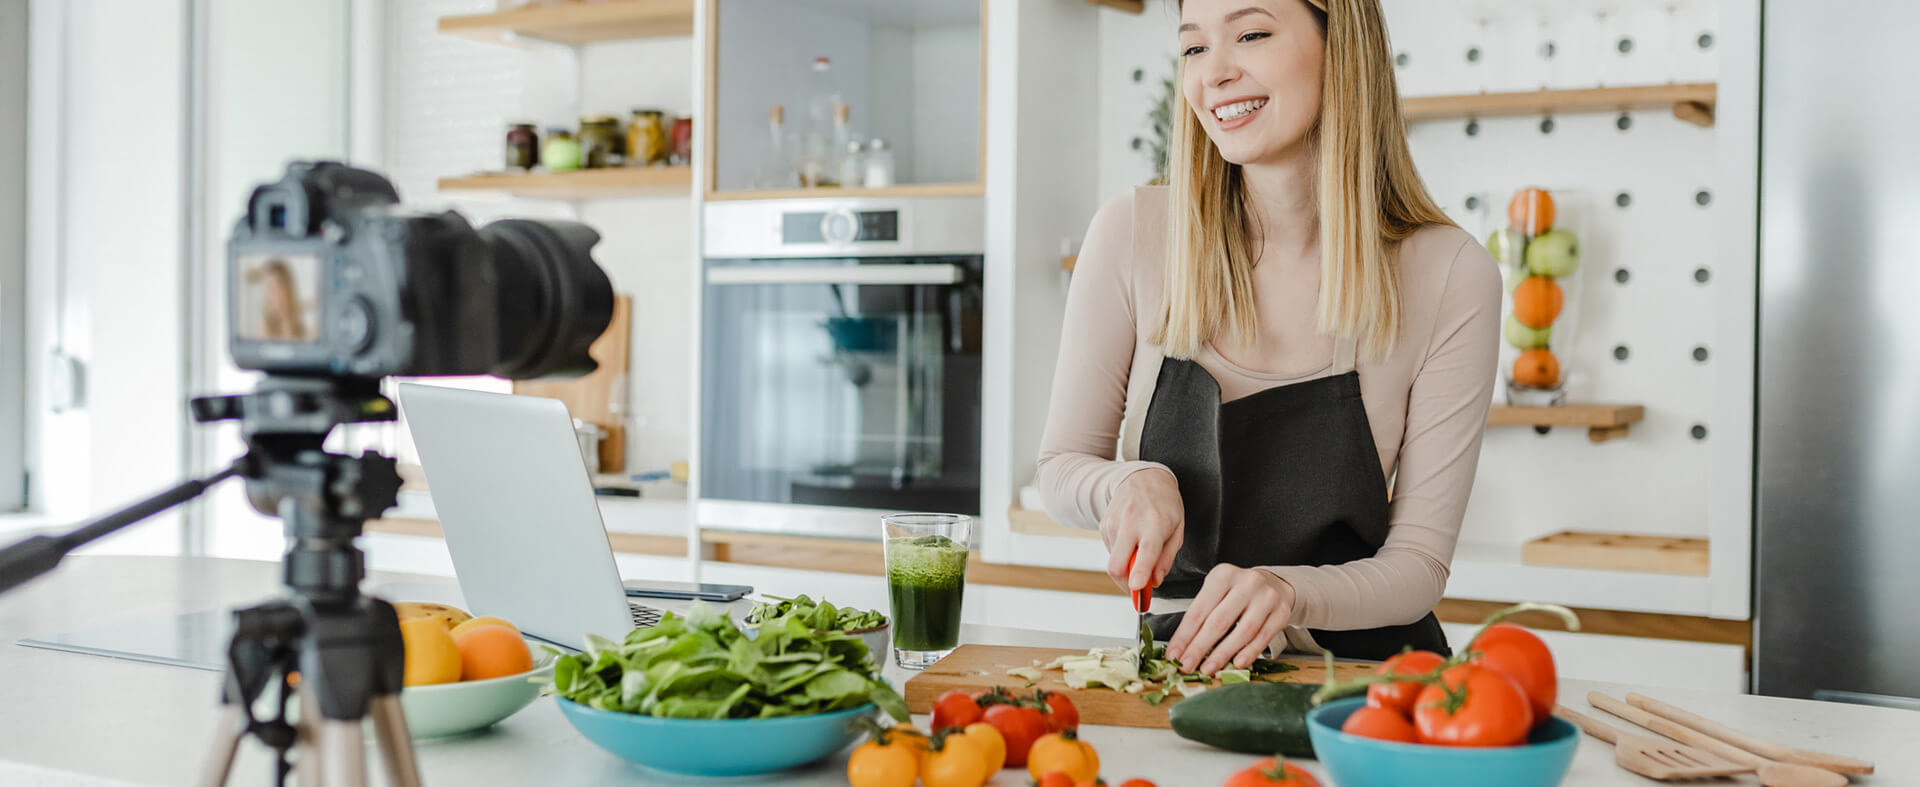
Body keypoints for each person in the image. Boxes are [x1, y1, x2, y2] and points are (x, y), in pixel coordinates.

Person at [1035, 0, 1500, 675]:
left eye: (1251, 34)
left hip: (1371, 689)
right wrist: (1129, 480)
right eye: (1194, 48)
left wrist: (1288, 591)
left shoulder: (1450, 272)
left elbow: (1418, 566)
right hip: (1188, 677)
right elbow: (1060, 467)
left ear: (1341, 47)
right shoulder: (1133, 234)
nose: (1214, 74)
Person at [254, 258, 311, 342]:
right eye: (267, 289)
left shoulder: (307, 332)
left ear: (287, 289)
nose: (269, 296)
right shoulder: (262, 332)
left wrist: (287, 321)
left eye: (273, 288)